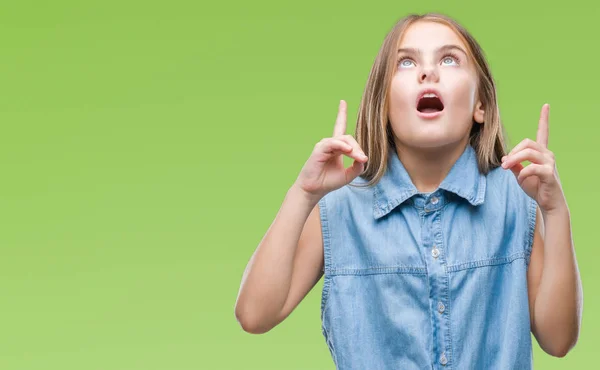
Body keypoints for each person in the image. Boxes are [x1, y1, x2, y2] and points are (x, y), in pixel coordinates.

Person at [234, 12, 583, 369]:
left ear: (481, 105)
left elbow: (558, 340)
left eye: (449, 59)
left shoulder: (513, 199)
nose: (428, 72)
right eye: (406, 61)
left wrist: (555, 213)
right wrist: (303, 193)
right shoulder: (340, 207)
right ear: (383, 105)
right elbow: (254, 315)